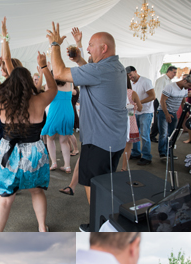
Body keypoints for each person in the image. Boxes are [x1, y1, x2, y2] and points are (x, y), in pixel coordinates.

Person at [48, 23, 128, 232]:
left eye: (91, 45)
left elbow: (59, 71)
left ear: (104, 49)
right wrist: (80, 61)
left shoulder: (101, 69)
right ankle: (107, 220)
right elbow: (94, 74)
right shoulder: (115, 67)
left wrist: (55, 44)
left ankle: (100, 226)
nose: (89, 48)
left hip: (100, 141)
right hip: (113, 139)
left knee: (93, 184)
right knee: (104, 182)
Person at [0, 51, 57, 232]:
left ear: (10, 82)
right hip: (34, 151)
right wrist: (43, 66)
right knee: (36, 191)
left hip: (8, 153)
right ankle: (41, 227)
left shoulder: (0, 101)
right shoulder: (39, 100)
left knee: (6, 199)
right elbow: (53, 89)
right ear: (28, 82)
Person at [158, 73, 191, 161]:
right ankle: (162, 153)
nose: (189, 87)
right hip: (163, 112)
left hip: (174, 112)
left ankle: (169, 153)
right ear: (184, 81)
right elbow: (162, 101)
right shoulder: (170, 87)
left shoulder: (184, 89)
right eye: (189, 85)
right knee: (164, 133)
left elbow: (183, 102)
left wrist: (186, 111)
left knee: (172, 134)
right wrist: (166, 114)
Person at [42, 70, 75, 173]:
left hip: (55, 112)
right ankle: (67, 166)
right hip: (68, 112)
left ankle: (54, 162)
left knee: (50, 138)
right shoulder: (70, 83)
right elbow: (73, 92)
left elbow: (46, 95)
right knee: (64, 141)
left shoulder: (51, 85)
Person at [125, 66, 155, 166]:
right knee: (134, 133)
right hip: (134, 113)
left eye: (131, 74)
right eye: (128, 76)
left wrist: (138, 102)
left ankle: (146, 156)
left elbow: (153, 96)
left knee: (145, 135)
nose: (130, 77)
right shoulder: (131, 84)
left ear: (136, 72)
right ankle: (136, 152)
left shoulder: (145, 81)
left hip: (145, 112)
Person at [121, 76, 143, 171]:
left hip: (117, 121)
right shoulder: (132, 93)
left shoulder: (114, 92)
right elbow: (141, 108)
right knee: (128, 146)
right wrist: (135, 106)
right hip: (130, 121)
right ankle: (124, 167)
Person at [151, 65, 177, 142]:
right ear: (169, 71)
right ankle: (152, 135)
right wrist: (162, 105)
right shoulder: (161, 80)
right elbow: (159, 93)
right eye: (174, 72)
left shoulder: (169, 81)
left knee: (162, 119)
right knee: (158, 119)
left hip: (165, 102)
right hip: (159, 102)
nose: (174, 75)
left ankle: (156, 135)